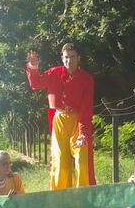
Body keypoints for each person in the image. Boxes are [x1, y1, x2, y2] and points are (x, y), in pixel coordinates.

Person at [26, 43, 96, 190]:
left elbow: (86, 108)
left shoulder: (86, 79)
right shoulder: (54, 73)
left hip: (79, 121)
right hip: (59, 120)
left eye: (72, 57)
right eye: (66, 57)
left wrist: (84, 133)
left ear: (78, 58)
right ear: (62, 58)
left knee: (82, 162)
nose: (69, 61)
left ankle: (83, 199)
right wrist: (33, 67)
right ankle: (60, 199)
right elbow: (36, 84)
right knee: (60, 164)